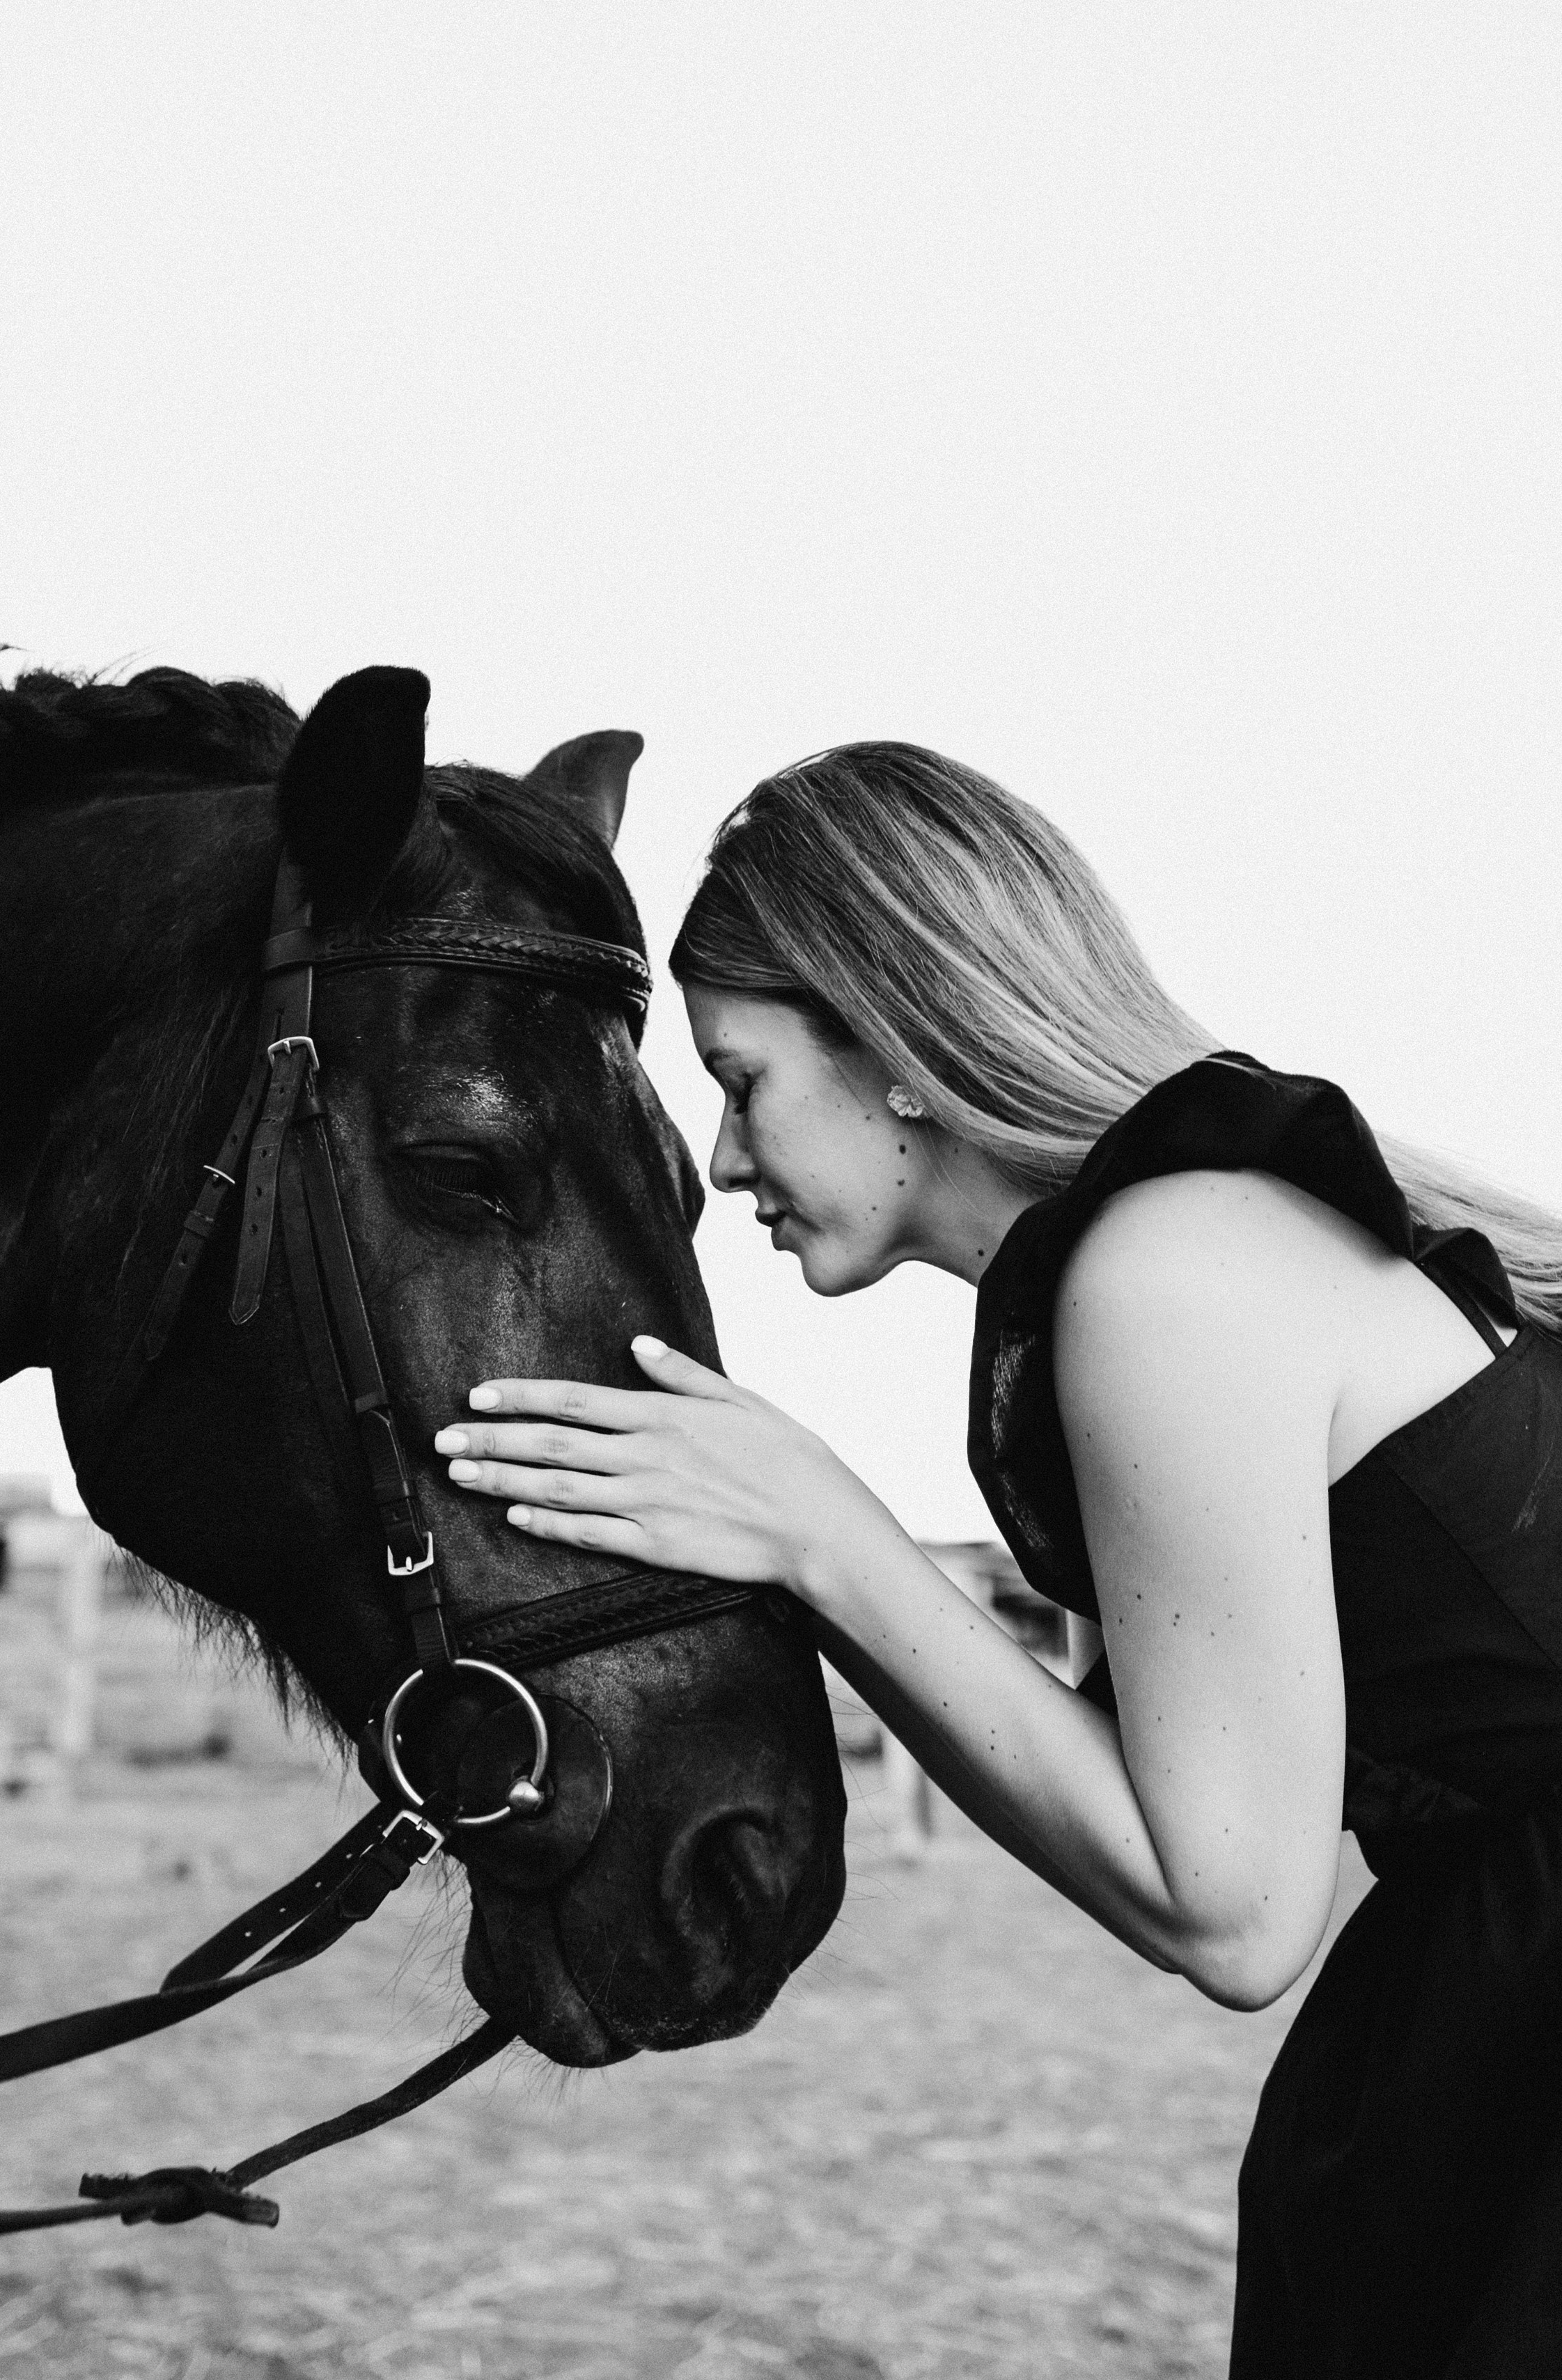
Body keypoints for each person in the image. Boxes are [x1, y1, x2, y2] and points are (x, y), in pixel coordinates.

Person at [432, 742, 1562, 2379]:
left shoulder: (1173, 1269)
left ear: (892, 1046)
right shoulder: (1176, 1248)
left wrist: (826, 1538)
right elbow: (1169, 1803)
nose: (724, 1165)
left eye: (742, 1083)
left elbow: (1233, 1915)